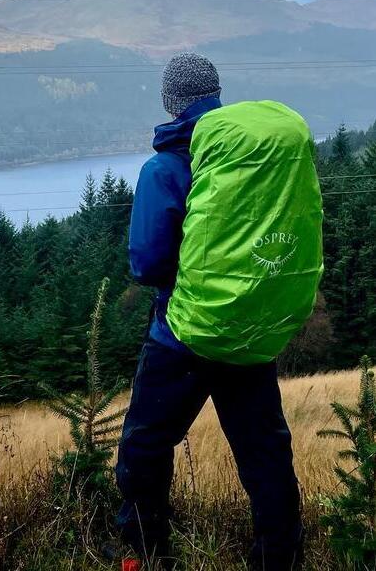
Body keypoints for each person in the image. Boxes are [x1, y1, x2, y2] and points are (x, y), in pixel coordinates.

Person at [115, 53, 323, 570]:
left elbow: (147, 262)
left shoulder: (165, 167)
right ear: (215, 97)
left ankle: (148, 553)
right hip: (251, 330)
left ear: (171, 101)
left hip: (180, 334)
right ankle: (280, 558)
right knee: (264, 452)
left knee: (145, 446)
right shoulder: (250, 162)